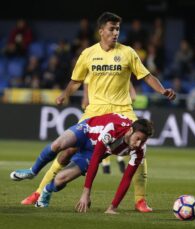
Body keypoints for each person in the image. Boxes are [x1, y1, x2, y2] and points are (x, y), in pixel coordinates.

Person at [19, 12, 176, 212]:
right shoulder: (88, 54)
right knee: (67, 151)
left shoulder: (128, 53)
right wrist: (65, 94)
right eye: (111, 29)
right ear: (101, 31)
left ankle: (140, 200)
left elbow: (146, 76)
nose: (116, 32)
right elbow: (76, 80)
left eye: (118, 29)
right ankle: (39, 192)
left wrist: (163, 90)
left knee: (139, 150)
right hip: (94, 112)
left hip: (122, 111)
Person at [11, 113, 153, 213]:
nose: (139, 143)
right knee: (58, 145)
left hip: (91, 152)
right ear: (130, 131)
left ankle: (47, 191)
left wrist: (112, 207)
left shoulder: (139, 150)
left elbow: (126, 178)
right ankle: (32, 171)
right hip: (86, 131)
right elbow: (97, 158)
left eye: (143, 141)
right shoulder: (113, 129)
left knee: (61, 179)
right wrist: (86, 193)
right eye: (138, 138)